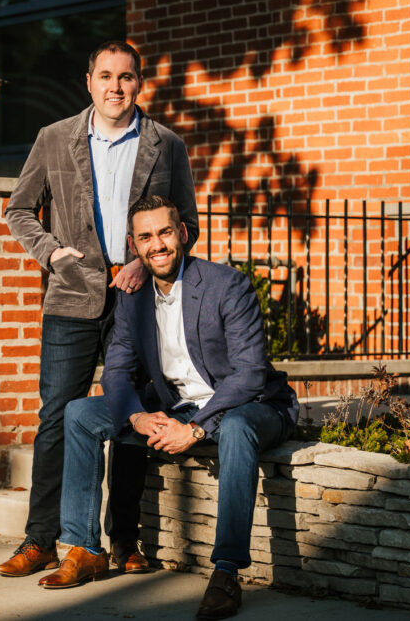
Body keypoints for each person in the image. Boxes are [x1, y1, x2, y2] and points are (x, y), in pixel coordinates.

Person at [38, 195, 298, 621]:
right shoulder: (133, 297)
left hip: (251, 406)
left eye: (163, 232)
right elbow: (117, 371)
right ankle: (84, 548)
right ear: (134, 245)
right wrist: (137, 417)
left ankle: (227, 571)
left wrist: (194, 428)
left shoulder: (226, 285)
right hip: (177, 407)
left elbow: (250, 375)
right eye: (145, 237)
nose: (156, 244)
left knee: (233, 428)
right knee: (79, 414)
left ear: (181, 233)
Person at [0, 41, 199, 578]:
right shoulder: (54, 138)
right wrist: (51, 252)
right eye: (105, 76)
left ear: (139, 83)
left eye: (126, 77)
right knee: (56, 417)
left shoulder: (167, 144)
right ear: (89, 81)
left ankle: (123, 541)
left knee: (130, 415)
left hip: (136, 301)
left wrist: (146, 264)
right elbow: (18, 209)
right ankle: (40, 540)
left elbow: (188, 225)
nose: (116, 86)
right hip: (69, 298)